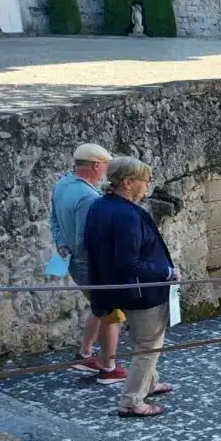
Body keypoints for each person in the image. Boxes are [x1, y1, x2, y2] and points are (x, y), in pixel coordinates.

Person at [84, 157, 180, 418]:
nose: (148, 186)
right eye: (144, 181)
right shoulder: (126, 215)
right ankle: (131, 401)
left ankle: (148, 383)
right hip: (141, 292)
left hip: (118, 289)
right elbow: (130, 262)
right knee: (148, 346)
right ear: (127, 182)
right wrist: (167, 272)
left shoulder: (100, 206)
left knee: (142, 341)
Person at [49, 143, 127, 384]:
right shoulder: (88, 197)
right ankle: (108, 367)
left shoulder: (62, 184)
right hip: (90, 265)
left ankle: (85, 353)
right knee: (114, 314)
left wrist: (62, 245)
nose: (107, 172)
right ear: (96, 166)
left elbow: (53, 219)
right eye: (105, 166)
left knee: (97, 306)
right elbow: (87, 239)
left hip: (71, 260)